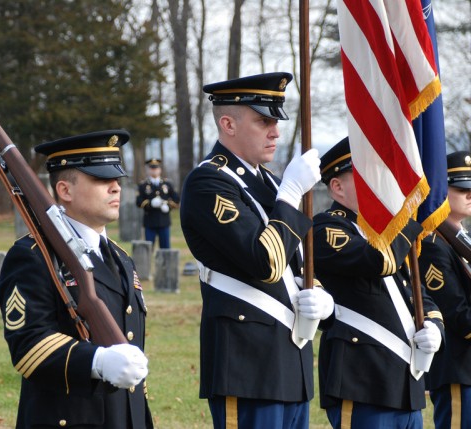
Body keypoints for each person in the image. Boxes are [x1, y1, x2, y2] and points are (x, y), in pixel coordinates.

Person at [180, 72, 334, 429]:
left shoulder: (270, 183)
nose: (275, 132)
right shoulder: (209, 182)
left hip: (289, 361)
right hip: (246, 362)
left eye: (276, 121)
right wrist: (292, 194)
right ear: (228, 124)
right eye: (263, 121)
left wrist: (321, 298)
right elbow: (265, 262)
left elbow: (295, 265)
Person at [0, 129, 153, 429]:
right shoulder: (33, 256)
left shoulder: (120, 258)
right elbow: (29, 347)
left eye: (116, 179)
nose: (115, 187)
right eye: (101, 179)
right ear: (65, 191)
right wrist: (97, 361)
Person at [313, 136, 445, 428]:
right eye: (367, 175)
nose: (381, 183)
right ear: (337, 187)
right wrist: (411, 217)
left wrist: (435, 327)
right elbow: (377, 262)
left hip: (405, 385)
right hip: (362, 381)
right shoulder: (326, 228)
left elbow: (419, 293)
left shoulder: (389, 235)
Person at [418, 150, 471, 429]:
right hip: (458, 370)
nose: (470, 195)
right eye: (462, 189)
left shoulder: (463, 242)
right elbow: (456, 315)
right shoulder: (433, 247)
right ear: (440, 191)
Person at [136, 158, 180, 249]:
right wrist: (150, 203)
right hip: (150, 222)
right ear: (148, 170)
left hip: (164, 222)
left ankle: (165, 264)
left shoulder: (167, 184)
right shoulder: (143, 185)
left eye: (156, 168)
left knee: (165, 250)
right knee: (148, 250)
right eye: (152, 168)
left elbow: (176, 200)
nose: (154, 170)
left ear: (160, 170)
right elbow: (138, 202)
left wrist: (167, 204)